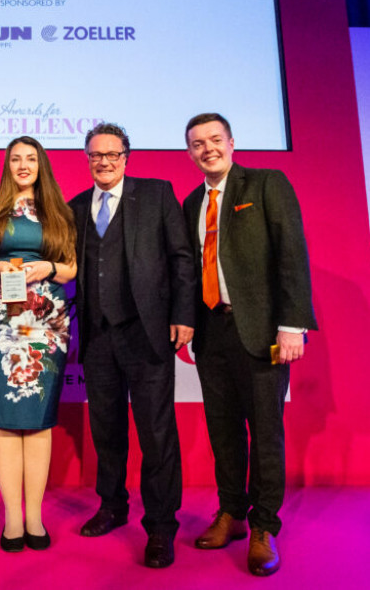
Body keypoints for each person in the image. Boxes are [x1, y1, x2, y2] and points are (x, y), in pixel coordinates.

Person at [182, 113, 317, 577]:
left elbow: (291, 253)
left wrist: (292, 324)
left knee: (265, 433)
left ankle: (264, 525)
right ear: (190, 152)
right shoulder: (190, 203)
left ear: (232, 142)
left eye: (215, 140)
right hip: (211, 331)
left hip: (261, 330)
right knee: (223, 431)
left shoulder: (266, 184)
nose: (207, 149)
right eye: (197, 144)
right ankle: (232, 513)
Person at [68, 122, 195, 569]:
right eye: (95, 155)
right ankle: (113, 506)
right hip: (99, 337)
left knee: (157, 433)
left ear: (127, 156)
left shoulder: (158, 194)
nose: (104, 162)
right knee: (107, 429)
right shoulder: (77, 206)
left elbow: (182, 258)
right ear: (88, 159)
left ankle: (161, 525)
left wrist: (183, 315)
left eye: (112, 154)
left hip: (148, 333)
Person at [0, 136, 76, 552]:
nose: (23, 165)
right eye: (16, 159)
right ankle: (13, 519)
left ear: (41, 164)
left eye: (31, 158)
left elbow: (71, 268)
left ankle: (36, 518)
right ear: (7, 164)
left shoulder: (59, 211)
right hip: (0, 319)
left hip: (47, 322)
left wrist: (47, 266)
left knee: (40, 419)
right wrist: (0, 266)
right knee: (6, 422)